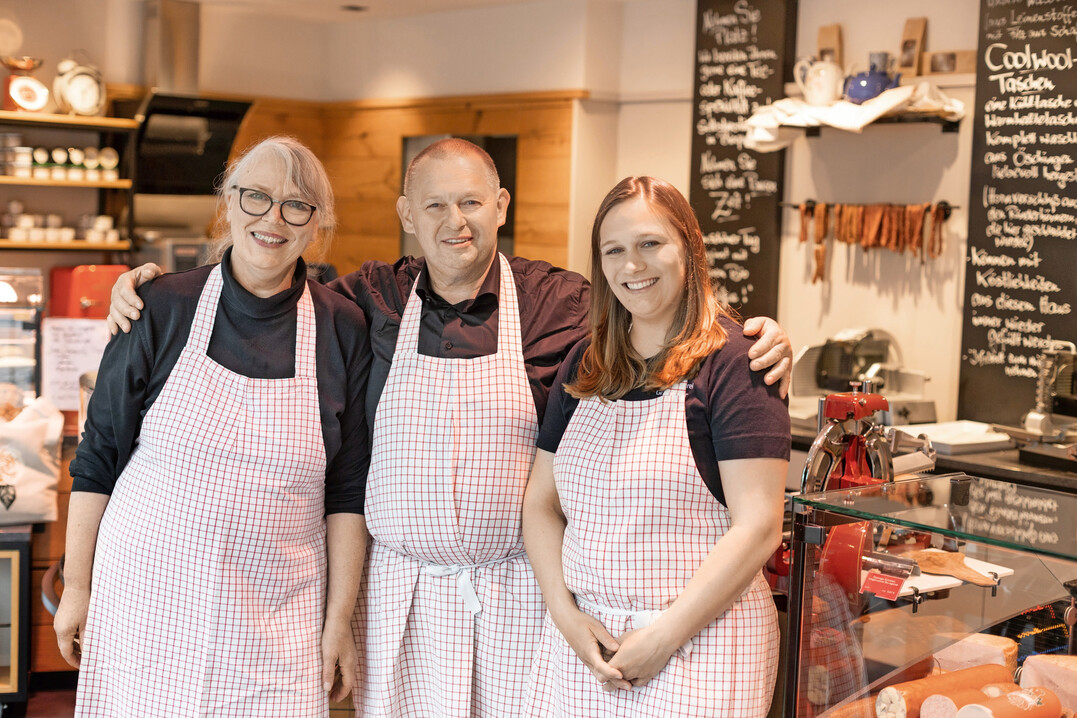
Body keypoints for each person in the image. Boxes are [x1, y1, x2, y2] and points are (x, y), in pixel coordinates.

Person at [106, 138, 794, 717]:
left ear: (500, 205)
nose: (453, 221)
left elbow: (652, 304)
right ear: (407, 214)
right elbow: (260, 287)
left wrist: (753, 333)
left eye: (470, 202)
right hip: (396, 595)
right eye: (434, 204)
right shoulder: (360, 302)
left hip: (521, 598)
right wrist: (154, 289)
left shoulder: (560, 305)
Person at [54, 136, 371, 717]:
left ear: (315, 223)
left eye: (295, 205)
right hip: (145, 601)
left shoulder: (344, 327)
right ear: (228, 201)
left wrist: (339, 623)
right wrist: (78, 586)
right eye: (255, 197)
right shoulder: (160, 306)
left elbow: (347, 492)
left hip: (279, 618)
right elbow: (98, 456)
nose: (272, 219)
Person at [522, 176, 790, 717]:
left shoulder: (737, 363)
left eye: (650, 244)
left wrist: (664, 635)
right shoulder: (585, 363)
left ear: (689, 249)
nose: (632, 266)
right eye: (613, 251)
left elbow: (758, 525)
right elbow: (540, 505)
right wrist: (565, 615)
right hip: (586, 646)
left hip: (703, 648)